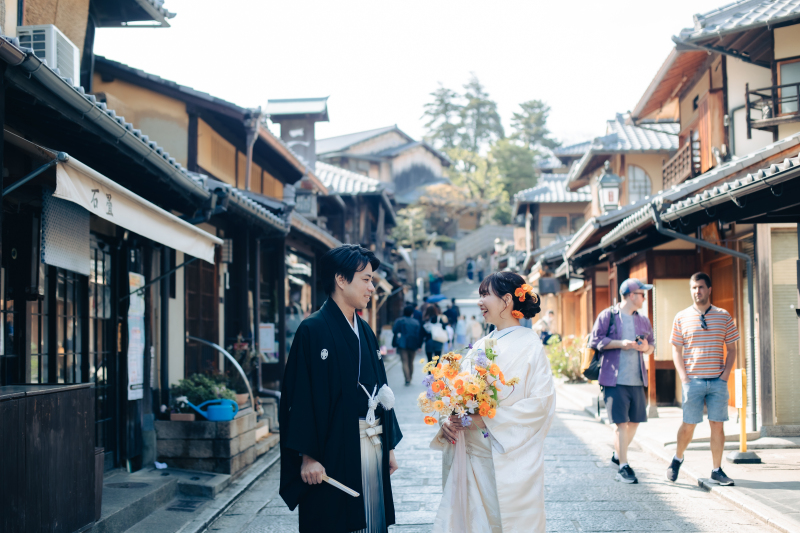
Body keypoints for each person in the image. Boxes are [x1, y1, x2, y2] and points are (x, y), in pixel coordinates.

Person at [279, 245, 402, 532]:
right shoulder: (312, 329)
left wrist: (388, 447)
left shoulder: (365, 330)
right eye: (366, 279)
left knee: (371, 518)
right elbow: (300, 397)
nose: (371, 287)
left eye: (372, 280)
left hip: (371, 443)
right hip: (330, 448)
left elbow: (381, 389)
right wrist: (308, 456)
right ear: (341, 280)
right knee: (333, 518)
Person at [431, 272, 555, 532]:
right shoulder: (482, 343)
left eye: (485, 294)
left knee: (503, 522)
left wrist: (485, 418)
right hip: (471, 453)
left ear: (507, 300)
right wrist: (448, 419)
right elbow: (457, 392)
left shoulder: (531, 345)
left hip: (504, 456)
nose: (480, 301)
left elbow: (540, 405)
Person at [666, 272, 739, 486]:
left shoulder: (724, 316)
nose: (697, 291)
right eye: (694, 287)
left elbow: (732, 349)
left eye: (700, 287)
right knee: (689, 425)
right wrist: (684, 377)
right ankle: (678, 458)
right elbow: (676, 351)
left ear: (709, 289)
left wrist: (724, 376)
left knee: (717, 425)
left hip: (717, 381)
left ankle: (716, 470)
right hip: (693, 381)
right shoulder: (681, 317)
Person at [589, 278, 655, 484]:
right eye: (642, 294)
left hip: (637, 379)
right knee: (621, 424)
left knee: (635, 421)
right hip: (613, 379)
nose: (644, 298)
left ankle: (618, 455)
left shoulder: (643, 320)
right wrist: (621, 344)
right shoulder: (607, 316)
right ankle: (623, 466)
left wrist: (645, 347)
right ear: (632, 295)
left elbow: (652, 346)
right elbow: (595, 341)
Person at [393, 305, 423, 385]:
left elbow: (394, 330)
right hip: (413, 343)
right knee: (411, 362)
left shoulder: (399, 321)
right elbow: (419, 334)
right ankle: (410, 377)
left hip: (402, 343)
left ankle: (407, 378)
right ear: (412, 313)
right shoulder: (416, 322)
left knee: (404, 362)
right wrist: (419, 345)